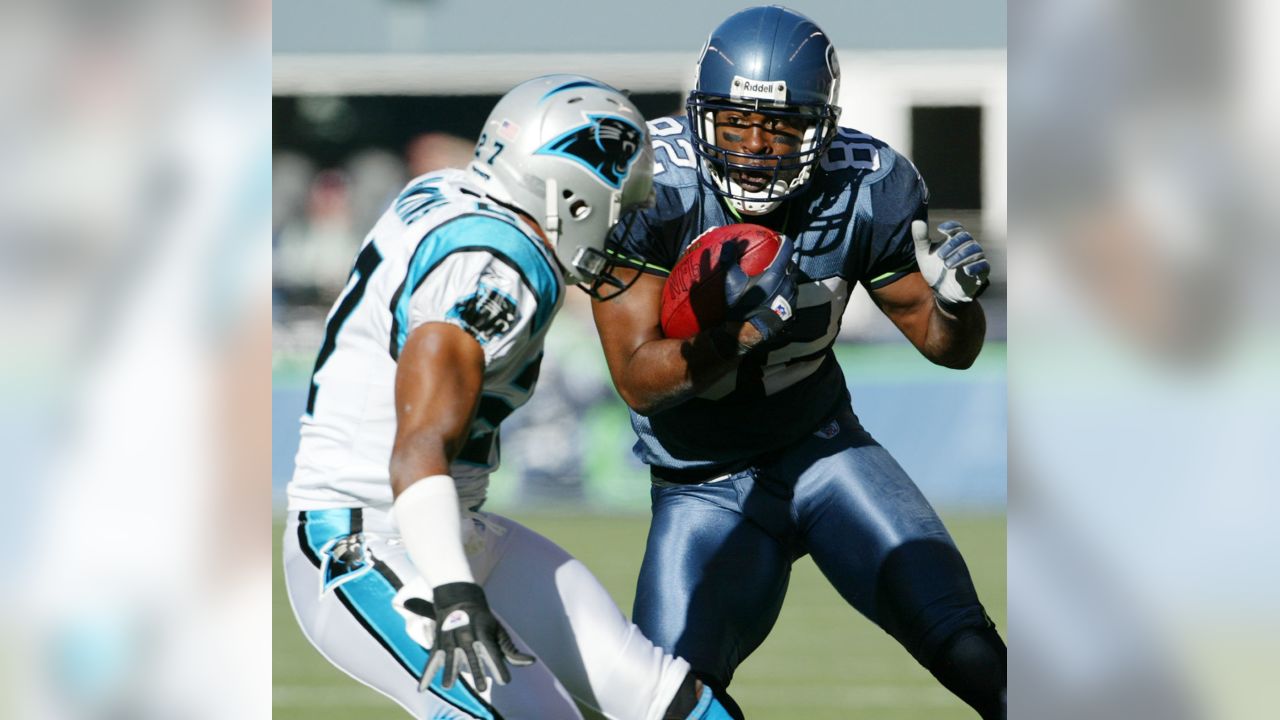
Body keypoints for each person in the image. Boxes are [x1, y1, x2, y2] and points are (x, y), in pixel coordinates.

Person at [590, 7, 1006, 719]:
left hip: (822, 452)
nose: (755, 146)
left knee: (973, 651)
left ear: (821, 125)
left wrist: (960, 304)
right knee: (664, 704)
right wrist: (742, 335)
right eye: (736, 123)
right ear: (700, 118)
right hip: (702, 483)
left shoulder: (866, 184)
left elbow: (946, 347)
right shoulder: (653, 185)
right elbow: (637, 377)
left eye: (780, 126)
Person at [283, 75, 737, 720]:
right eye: (616, 201)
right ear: (567, 190)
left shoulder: (453, 194)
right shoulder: (498, 265)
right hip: (367, 539)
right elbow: (419, 447)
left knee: (669, 701)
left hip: (453, 524)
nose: (620, 224)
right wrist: (454, 591)